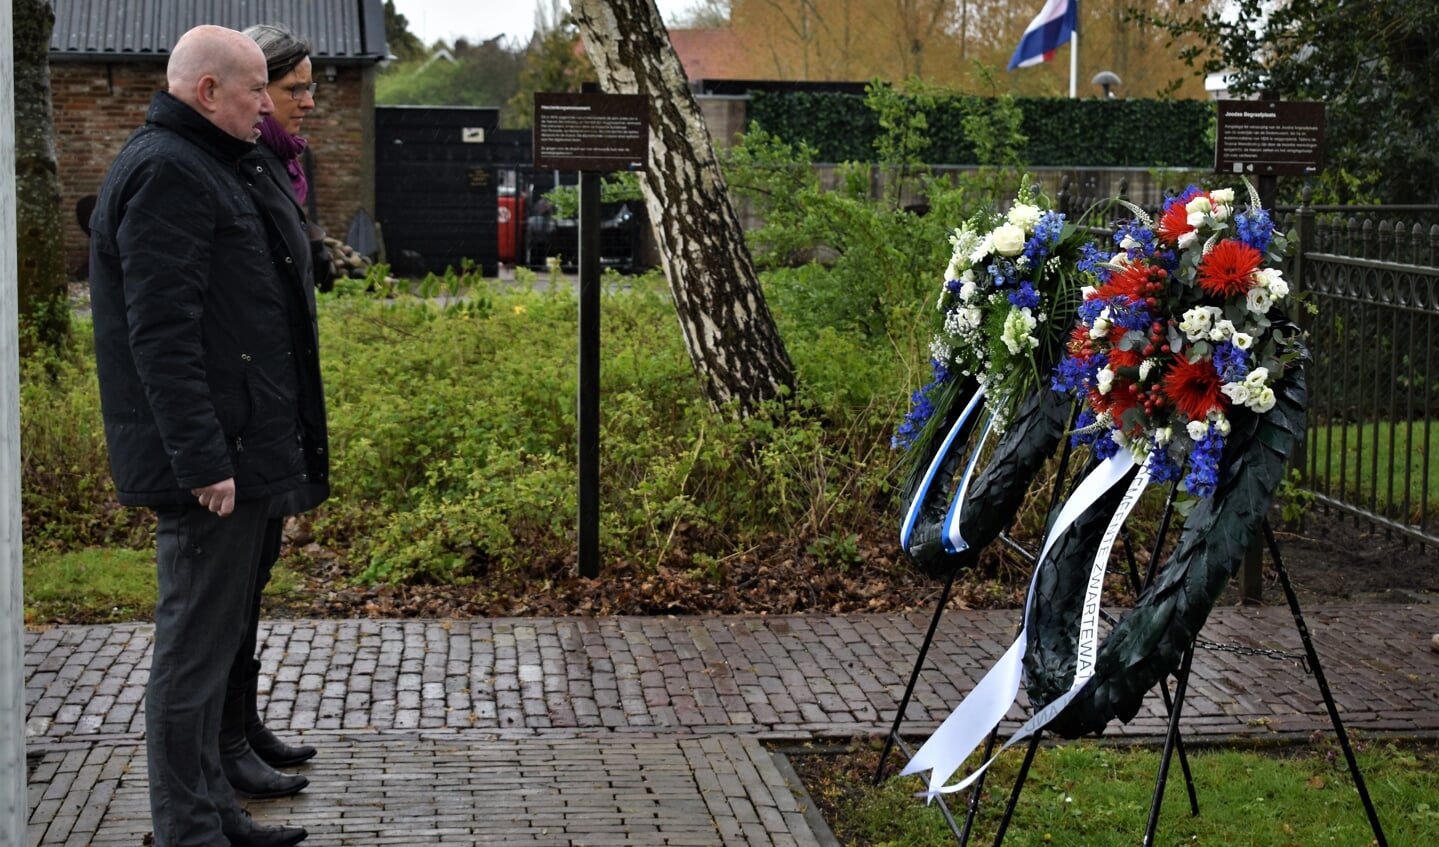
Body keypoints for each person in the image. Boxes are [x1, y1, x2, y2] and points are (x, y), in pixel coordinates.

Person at [88, 24, 327, 847]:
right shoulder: (167, 174)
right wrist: (203, 461)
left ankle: (213, 809)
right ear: (207, 91)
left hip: (241, 445)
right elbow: (162, 336)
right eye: (257, 88)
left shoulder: (211, 164)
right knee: (190, 655)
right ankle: (188, 828)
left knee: (213, 644)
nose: (269, 104)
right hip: (211, 461)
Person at [212, 22, 333, 803]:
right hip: (244, 413)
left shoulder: (288, 167)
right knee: (228, 588)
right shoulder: (241, 166)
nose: (306, 103)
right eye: (293, 90)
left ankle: (243, 723)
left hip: (277, 405)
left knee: (256, 576)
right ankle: (224, 741)